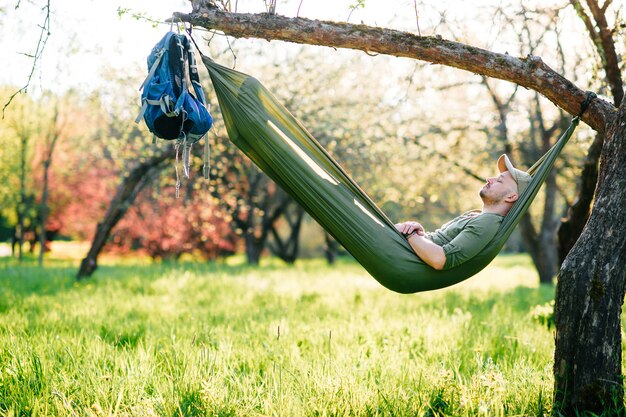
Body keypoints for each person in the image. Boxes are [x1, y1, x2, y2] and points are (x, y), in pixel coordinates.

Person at [395, 155, 531, 270]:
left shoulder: (487, 222)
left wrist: (410, 234)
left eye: (499, 180)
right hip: (406, 250)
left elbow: (439, 259)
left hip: (402, 257)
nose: (489, 179)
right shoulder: (480, 217)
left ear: (511, 197)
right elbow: (439, 242)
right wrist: (420, 234)